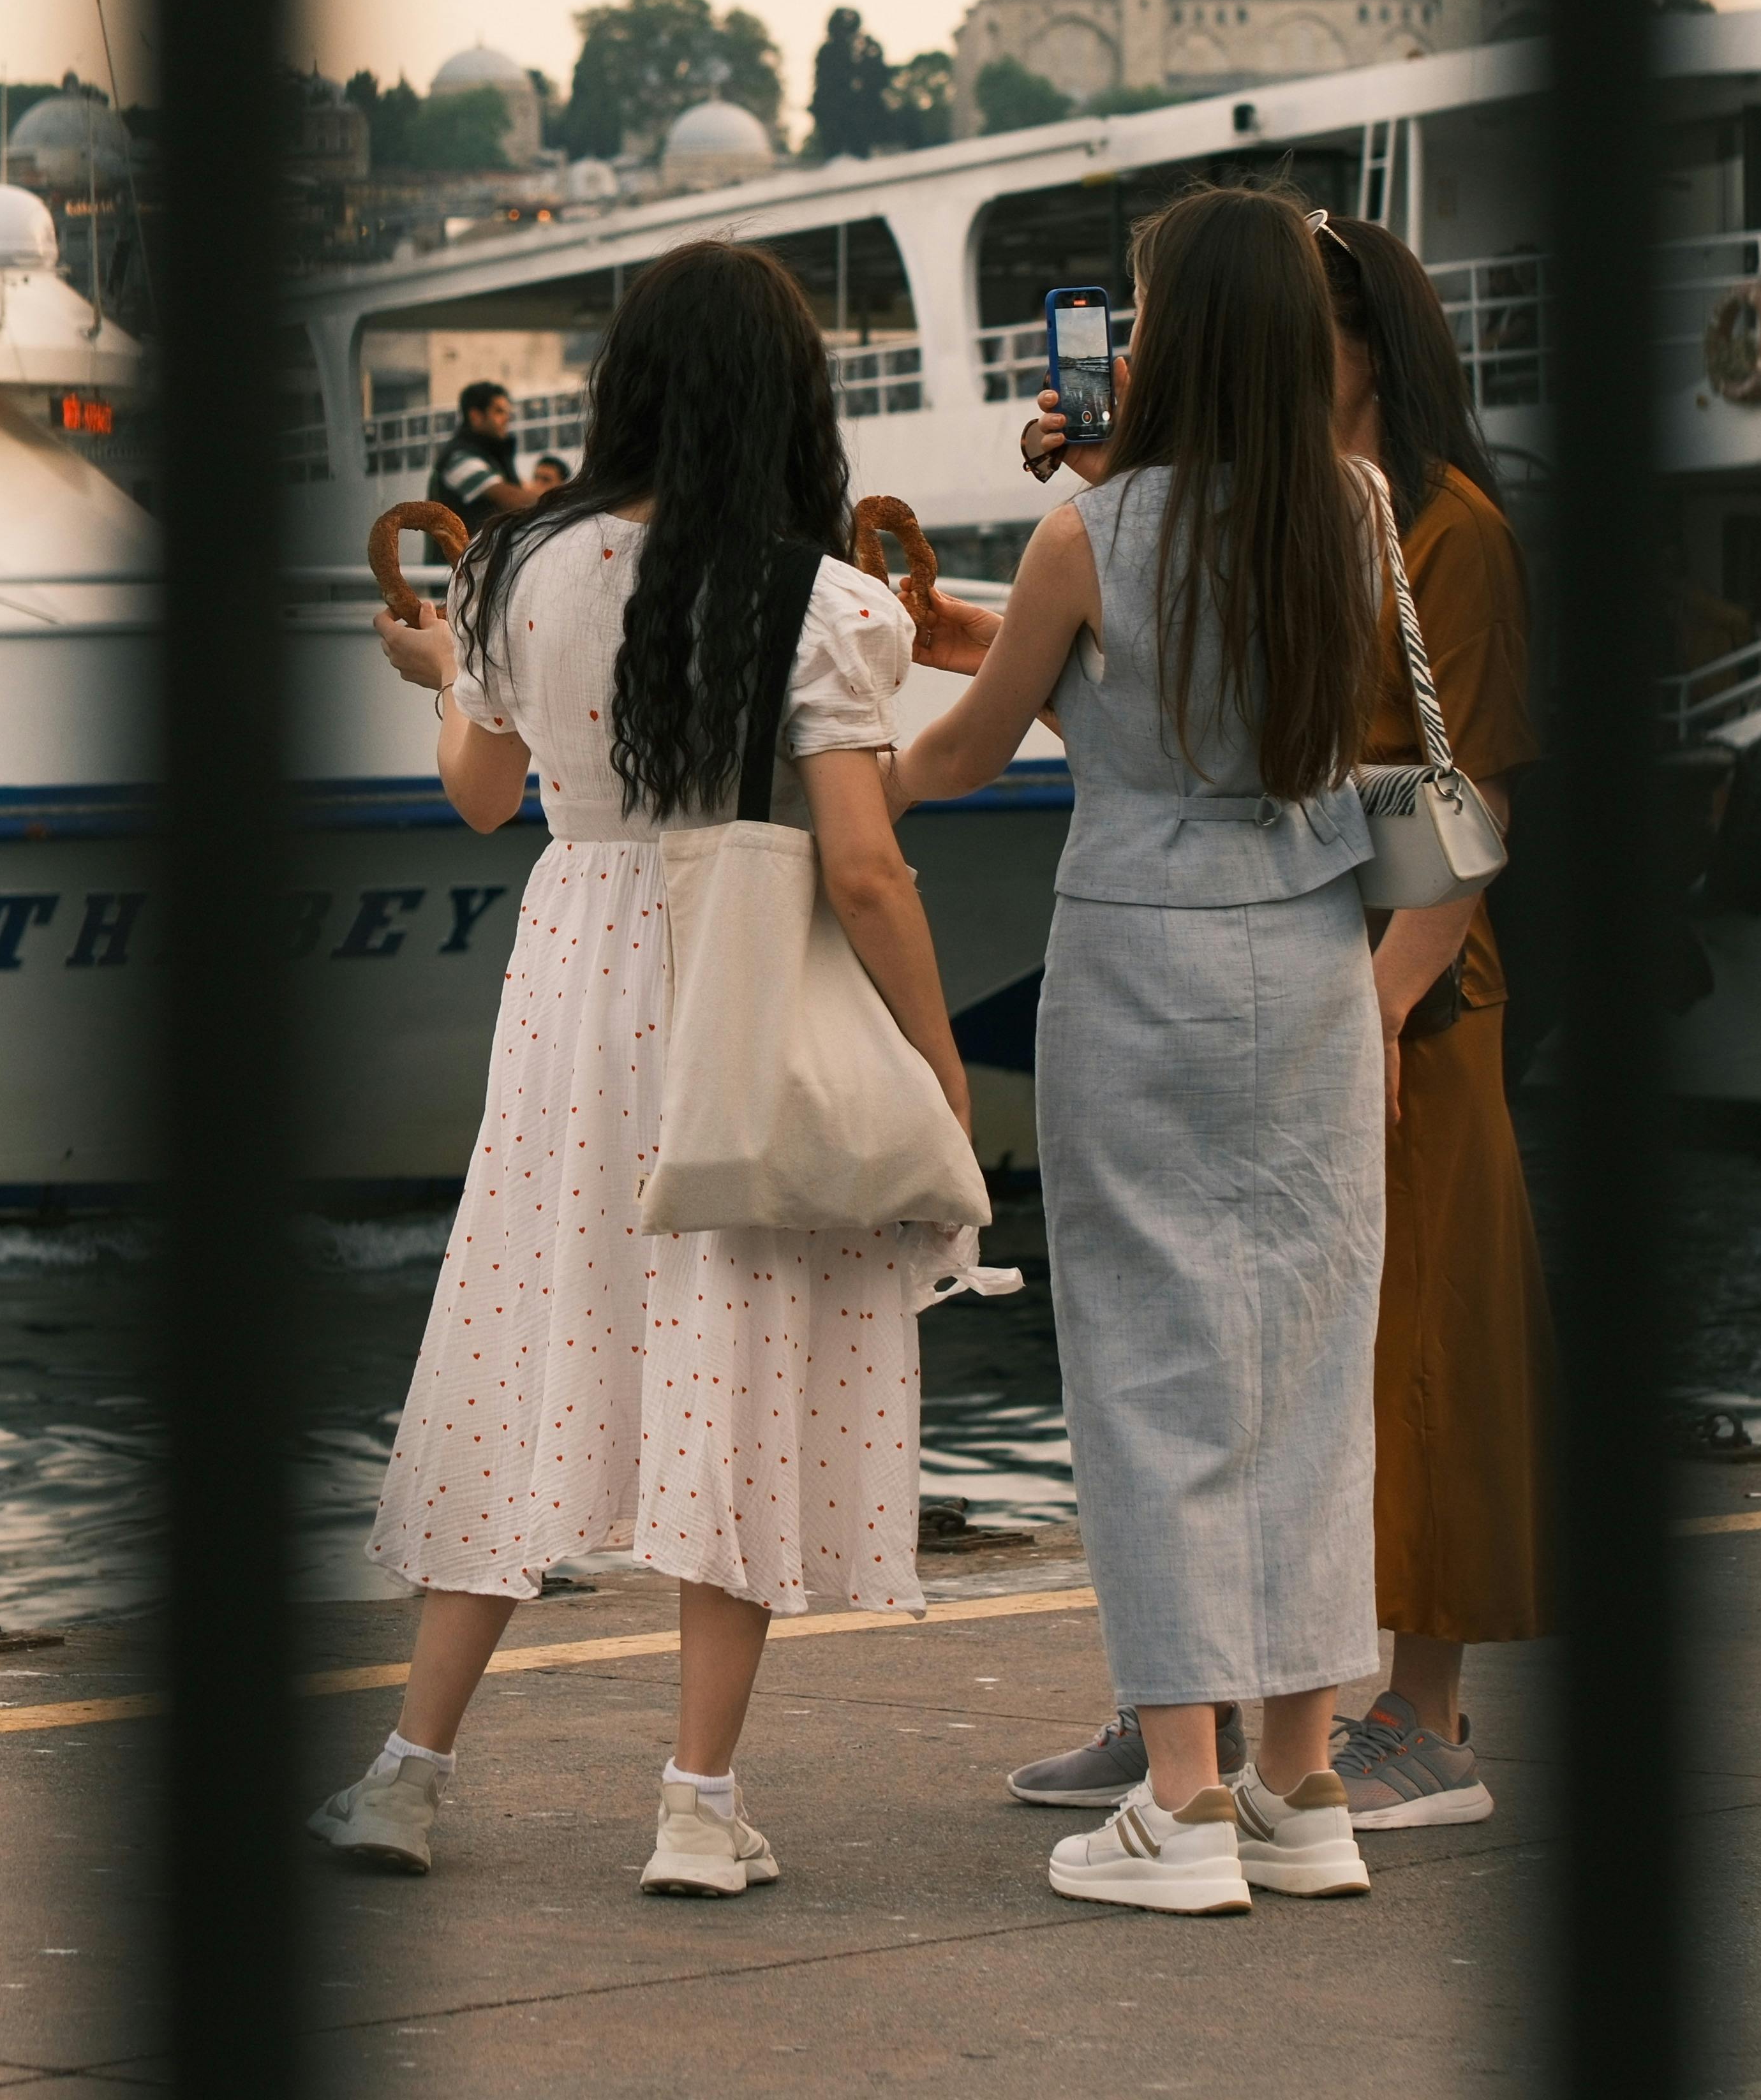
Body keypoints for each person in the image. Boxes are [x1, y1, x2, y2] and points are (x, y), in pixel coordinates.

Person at [329, 240, 975, 1900]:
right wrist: (936, 1059)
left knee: (523, 1337)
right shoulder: (825, 602)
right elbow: (864, 866)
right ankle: (697, 1803)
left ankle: (407, 1774)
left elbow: (483, 797)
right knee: (732, 1360)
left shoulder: (514, 567)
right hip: (736, 976)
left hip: (572, 980)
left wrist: (441, 674)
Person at [898, 185, 1406, 1918]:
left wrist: (844, 790)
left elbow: (973, 748)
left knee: (1145, 1361)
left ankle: (1179, 1803)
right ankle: (1304, 1786)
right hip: (1313, 950)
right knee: (1309, 1356)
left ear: (1166, 334)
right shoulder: (1357, 508)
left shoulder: (1088, 538)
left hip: (1137, 952)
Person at [1309, 218, 1542, 1828]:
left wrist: (1382, 1010)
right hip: (1306, 971)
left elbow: (1474, 805)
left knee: (1429, 1338)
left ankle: (1429, 1712)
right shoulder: (1302, 514)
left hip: (1413, 989)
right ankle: (1213, 1694)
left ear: (1363, 345)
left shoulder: (1452, 529)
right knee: (1290, 1351)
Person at [424, 380, 527, 526]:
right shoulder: (458, 459)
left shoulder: (489, 455)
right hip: (466, 542)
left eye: (507, 413)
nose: (507, 419)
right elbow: (512, 498)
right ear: (476, 416)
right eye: (499, 412)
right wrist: (556, 504)